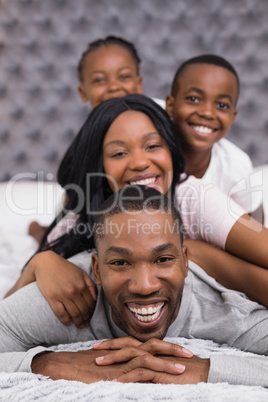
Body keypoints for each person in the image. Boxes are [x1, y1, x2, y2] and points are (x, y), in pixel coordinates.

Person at [6, 94, 268, 328]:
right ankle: (36, 230)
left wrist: (201, 254)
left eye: (153, 146)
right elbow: (7, 316)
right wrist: (39, 264)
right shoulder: (82, 218)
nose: (141, 162)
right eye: (119, 153)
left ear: (170, 150)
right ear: (100, 166)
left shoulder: (196, 199)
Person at [1, 186, 268, 387]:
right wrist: (50, 362)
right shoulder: (68, 297)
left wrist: (204, 369)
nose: (144, 286)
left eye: (163, 259)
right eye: (120, 262)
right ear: (96, 269)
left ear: (186, 262)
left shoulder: (225, 311)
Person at [165, 54, 263, 220]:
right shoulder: (149, 150)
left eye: (222, 105)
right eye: (194, 99)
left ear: (233, 116)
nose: (207, 113)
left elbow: (254, 224)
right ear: (170, 105)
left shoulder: (236, 166)